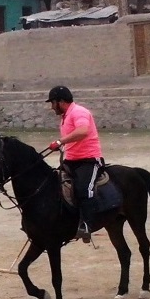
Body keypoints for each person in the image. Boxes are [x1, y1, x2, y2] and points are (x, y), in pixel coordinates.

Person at [45, 85, 104, 243]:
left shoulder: (79, 112)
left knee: (84, 188)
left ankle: (86, 225)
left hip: (89, 159)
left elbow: (83, 131)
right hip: (71, 160)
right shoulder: (65, 116)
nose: (52, 107)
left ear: (61, 102)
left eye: (53, 103)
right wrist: (63, 146)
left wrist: (60, 141)